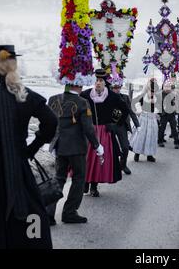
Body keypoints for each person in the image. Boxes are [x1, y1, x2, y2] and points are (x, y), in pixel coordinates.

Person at [0, 45, 57, 249]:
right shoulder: (24, 94)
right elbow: (51, 122)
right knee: (27, 220)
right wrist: (32, 148)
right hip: (18, 167)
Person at [47, 84, 103, 225]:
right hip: (76, 148)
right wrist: (97, 145)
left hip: (60, 146)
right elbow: (88, 128)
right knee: (79, 178)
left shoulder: (53, 99)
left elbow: (49, 124)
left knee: (59, 178)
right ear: (78, 85)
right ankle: (69, 213)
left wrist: (53, 142)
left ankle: (48, 214)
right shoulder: (83, 102)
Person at [81, 69, 129, 197]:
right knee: (86, 158)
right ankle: (85, 182)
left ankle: (94, 186)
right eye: (96, 80)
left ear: (105, 83)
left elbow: (124, 110)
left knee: (98, 159)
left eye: (101, 81)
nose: (98, 83)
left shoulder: (112, 96)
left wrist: (114, 123)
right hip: (88, 131)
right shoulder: (85, 95)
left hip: (104, 132)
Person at [110, 82, 140, 175]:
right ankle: (111, 167)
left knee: (125, 147)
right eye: (115, 88)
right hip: (110, 125)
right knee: (111, 148)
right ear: (111, 88)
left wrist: (137, 125)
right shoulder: (107, 98)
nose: (117, 89)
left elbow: (131, 112)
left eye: (118, 87)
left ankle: (123, 165)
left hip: (122, 126)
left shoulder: (125, 97)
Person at [130, 78, 159, 163]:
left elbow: (159, 107)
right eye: (151, 90)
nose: (152, 93)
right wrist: (138, 111)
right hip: (143, 118)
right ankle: (137, 154)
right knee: (141, 136)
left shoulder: (156, 98)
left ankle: (149, 155)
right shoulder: (143, 96)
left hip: (152, 118)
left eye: (154, 91)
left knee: (151, 136)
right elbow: (135, 102)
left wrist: (156, 110)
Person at [158, 81, 179, 149]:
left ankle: (176, 142)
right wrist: (159, 113)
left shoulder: (172, 94)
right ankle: (160, 141)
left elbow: (175, 103)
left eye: (169, 87)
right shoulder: (160, 94)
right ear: (163, 87)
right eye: (166, 86)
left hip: (171, 114)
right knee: (162, 128)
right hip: (163, 114)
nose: (167, 88)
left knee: (174, 128)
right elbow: (158, 105)